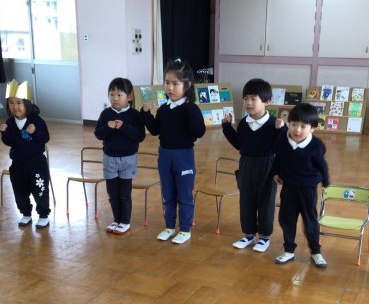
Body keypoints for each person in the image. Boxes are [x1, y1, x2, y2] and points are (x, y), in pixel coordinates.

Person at [140, 59, 206, 244]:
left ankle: (185, 229)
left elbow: (199, 131)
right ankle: (169, 226)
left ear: (187, 84)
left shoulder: (190, 108)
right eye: (167, 82)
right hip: (164, 156)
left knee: (184, 195)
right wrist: (145, 114)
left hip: (183, 156)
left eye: (175, 83)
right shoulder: (164, 109)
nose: (170, 87)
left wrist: (190, 109)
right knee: (167, 193)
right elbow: (155, 130)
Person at [222, 78, 286, 252]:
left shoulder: (274, 123)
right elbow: (239, 145)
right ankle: (249, 234)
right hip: (247, 164)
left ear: (267, 102)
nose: (248, 103)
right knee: (246, 200)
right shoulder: (243, 123)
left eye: (253, 99)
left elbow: (282, 147)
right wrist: (227, 127)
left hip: (267, 165)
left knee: (266, 201)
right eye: (245, 99)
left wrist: (283, 130)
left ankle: (264, 237)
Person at [273, 103, 330, 267]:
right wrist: (275, 172)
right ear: (288, 124)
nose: (297, 130)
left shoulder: (316, 145)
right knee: (286, 220)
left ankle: (316, 251)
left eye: (303, 126)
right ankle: (289, 250)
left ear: (313, 128)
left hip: (308, 189)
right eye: (293, 124)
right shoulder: (282, 141)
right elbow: (278, 158)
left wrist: (325, 181)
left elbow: (322, 165)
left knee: (310, 221)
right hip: (289, 188)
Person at [94, 77, 146, 234]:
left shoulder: (134, 114)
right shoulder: (105, 114)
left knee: (124, 194)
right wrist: (107, 127)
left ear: (129, 97)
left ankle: (125, 221)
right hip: (109, 159)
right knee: (112, 194)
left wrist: (123, 127)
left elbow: (140, 136)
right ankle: (116, 220)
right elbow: (98, 134)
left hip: (128, 159)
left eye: (119, 95)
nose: (115, 98)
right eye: (112, 94)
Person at [0, 80, 51, 228]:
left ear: (27, 103)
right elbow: (10, 142)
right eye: (11, 103)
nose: (15, 106)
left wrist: (35, 132)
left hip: (36, 163)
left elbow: (45, 138)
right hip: (18, 163)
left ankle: (43, 215)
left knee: (40, 189)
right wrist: (4, 133)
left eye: (18, 103)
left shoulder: (36, 120)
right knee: (19, 190)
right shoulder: (10, 122)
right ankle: (25, 213)